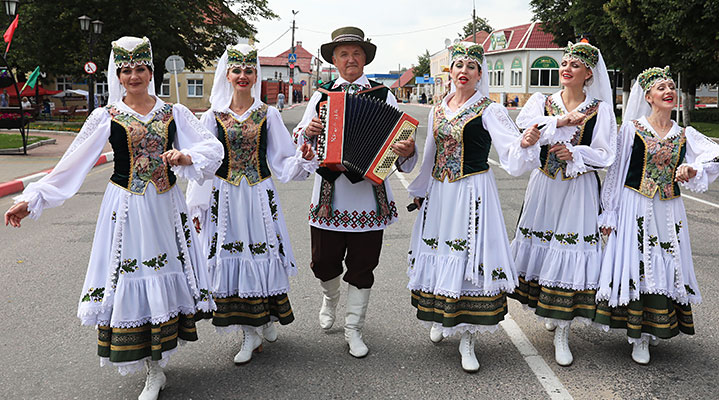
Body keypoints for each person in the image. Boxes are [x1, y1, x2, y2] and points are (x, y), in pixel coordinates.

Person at [4, 36, 223, 400]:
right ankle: (152, 371)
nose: (134, 76)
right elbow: (71, 163)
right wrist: (34, 198)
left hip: (165, 207)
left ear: (151, 72)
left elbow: (210, 147)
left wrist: (185, 158)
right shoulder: (106, 116)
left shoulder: (174, 113)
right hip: (127, 209)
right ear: (118, 75)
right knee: (133, 276)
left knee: (161, 275)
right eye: (126, 70)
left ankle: (159, 365)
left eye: (140, 69)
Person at [406, 42, 539, 372]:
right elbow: (430, 155)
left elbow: (511, 149)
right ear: (450, 71)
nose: (463, 70)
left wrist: (523, 143)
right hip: (440, 192)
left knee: (468, 258)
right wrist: (420, 189)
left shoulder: (489, 109)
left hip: (472, 191)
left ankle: (468, 337)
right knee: (439, 254)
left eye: (471, 66)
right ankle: (441, 316)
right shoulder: (438, 108)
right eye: (458, 64)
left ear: (480, 75)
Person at [185, 44, 317, 365]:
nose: (243, 76)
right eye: (237, 70)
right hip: (225, 197)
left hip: (258, 195)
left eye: (248, 70)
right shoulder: (213, 116)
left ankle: (263, 319)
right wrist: (197, 207)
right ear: (227, 75)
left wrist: (303, 158)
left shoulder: (267, 114)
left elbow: (282, 159)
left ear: (255, 75)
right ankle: (249, 329)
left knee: (260, 254)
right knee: (233, 257)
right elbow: (203, 165)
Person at [293, 26, 417, 358]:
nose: (351, 59)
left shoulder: (383, 95)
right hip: (328, 197)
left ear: (365, 59)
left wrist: (405, 151)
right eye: (344, 54)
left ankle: (353, 328)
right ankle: (330, 296)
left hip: (368, 194)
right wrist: (308, 132)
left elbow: (399, 150)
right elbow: (300, 139)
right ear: (334, 60)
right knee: (323, 262)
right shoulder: (321, 95)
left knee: (363, 264)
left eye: (356, 53)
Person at [595, 66, 719, 364]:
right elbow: (616, 171)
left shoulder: (684, 133)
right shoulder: (632, 128)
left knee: (664, 261)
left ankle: (651, 331)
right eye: (661, 88)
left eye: (671, 87)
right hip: (635, 204)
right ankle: (636, 334)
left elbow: (713, 155)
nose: (668, 92)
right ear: (648, 96)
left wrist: (693, 169)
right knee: (637, 261)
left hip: (668, 209)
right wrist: (608, 212)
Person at [509, 41, 617, 366]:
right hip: (544, 186)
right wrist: (556, 124)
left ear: (588, 74)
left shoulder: (600, 109)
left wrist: (577, 154)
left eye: (574, 64)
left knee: (569, 254)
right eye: (564, 62)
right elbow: (524, 129)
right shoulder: (542, 101)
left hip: (578, 188)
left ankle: (562, 332)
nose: (566, 68)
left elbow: (606, 153)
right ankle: (549, 309)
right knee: (544, 251)